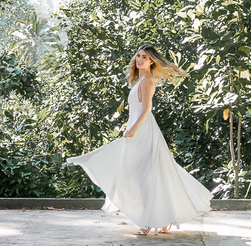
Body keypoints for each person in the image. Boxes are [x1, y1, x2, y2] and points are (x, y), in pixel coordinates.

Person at [67, 45, 213, 235]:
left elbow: (146, 108)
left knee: (144, 176)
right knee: (140, 175)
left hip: (143, 131)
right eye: (138, 56)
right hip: (136, 129)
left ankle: (148, 220)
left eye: (144, 57)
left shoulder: (147, 80)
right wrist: (132, 127)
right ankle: (162, 217)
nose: (139, 59)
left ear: (151, 61)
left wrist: (134, 128)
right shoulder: (139, 80)